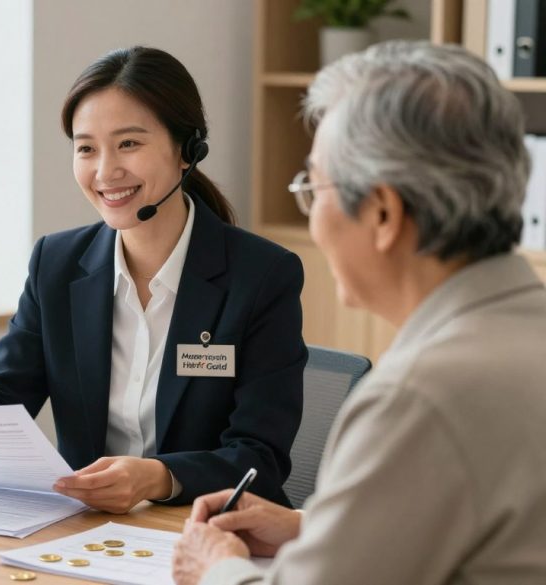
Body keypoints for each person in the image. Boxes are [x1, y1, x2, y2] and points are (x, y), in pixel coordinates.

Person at [172, 40, 546, 585]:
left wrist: (215, 567)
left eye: (313, 187)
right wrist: (315, 529)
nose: (312, 216)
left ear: (383, 213)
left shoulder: (417, 397)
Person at [0, 46, 307, 513]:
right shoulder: (56, 264)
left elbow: (260, 457)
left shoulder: (262, 276)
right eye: (86, 148)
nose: (105, 171)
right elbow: (7, 398)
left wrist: (158, 477)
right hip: (90, 531)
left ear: (187, 151)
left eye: (129, 144)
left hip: (208, 527)